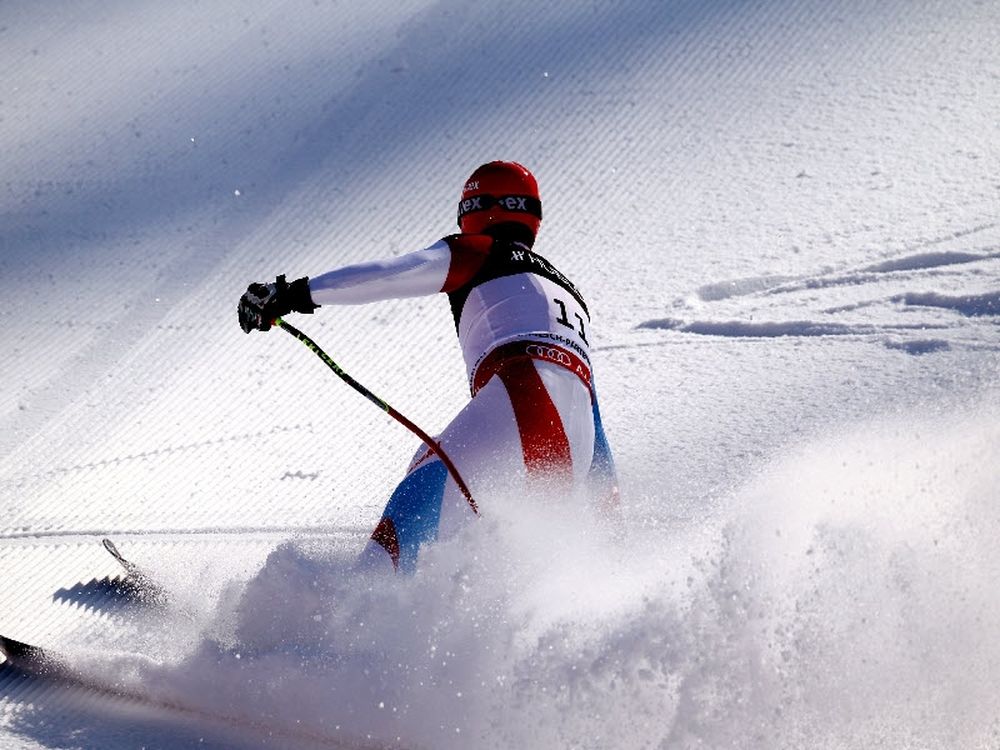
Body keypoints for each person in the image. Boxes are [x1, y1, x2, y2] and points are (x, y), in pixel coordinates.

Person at [238, 161, 618, 573]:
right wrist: (608, 518)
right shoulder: (569, 295)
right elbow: (593, 422)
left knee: (420, 494)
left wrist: (293, 294)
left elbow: (394, 274)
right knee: (447, 480)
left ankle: (355, 611)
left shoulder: (485, 252)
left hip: (520, 399)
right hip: (575, 443)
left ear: (474, 209)